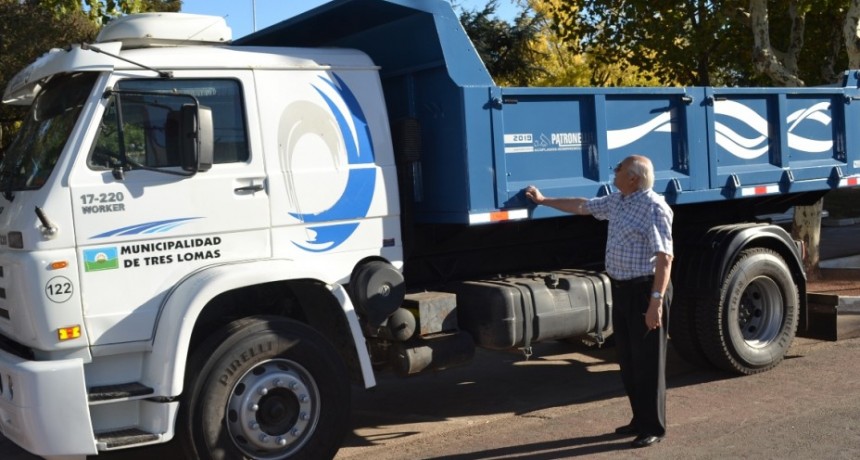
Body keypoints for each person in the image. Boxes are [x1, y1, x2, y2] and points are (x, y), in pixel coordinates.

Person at [524, 155, 673, 449]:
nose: (614, 172)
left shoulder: (654, 207)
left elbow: (665, 258)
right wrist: (543, 200)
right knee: (629, 360)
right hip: (623, 290)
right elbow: (582, 206)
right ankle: (639, 419)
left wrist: (655, 302)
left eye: (619, 169)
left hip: (645, 291)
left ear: (633, 178)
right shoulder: (618, 201)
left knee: (648, 363)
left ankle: (653, 426)